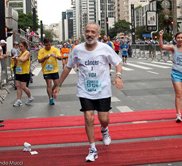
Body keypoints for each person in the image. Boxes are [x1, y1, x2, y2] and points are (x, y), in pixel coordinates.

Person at [53, 23, 123, 162]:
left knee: (104, 119)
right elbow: (68, 67)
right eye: (87, 31)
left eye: (93, 32)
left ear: (97, 34)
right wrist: (59, 84)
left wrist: (118, 76)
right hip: (85, 89)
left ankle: (104, 129)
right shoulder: (77, 50)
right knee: (89, 117)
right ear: (84, 33)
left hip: (103, 89)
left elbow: (118, 62)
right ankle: (92, 148)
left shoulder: (105, 48)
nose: (90, 34)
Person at [38, 38, 62, 105]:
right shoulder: (41, 51)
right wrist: (44, 58)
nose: (48, 47)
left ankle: (50, 92)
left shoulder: (55, 50)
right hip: (46, 70)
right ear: (44, 45)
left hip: (54, 69)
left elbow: (61, 58)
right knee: (49, 83)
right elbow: (39, 60)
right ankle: (50, 99)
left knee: (57, 84)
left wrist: (56, 56)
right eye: (46, 45)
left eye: (49, 45)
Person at [12, 41, 34, 107]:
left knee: (23, 87)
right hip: (18, 71)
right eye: (19, 46)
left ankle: (30, 97)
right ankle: (19, 100)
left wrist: (17, 58)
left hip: (25, 72)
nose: (20, 48)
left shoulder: (27, 53)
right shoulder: (20, 53)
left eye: (21, 46)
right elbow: (17, 60)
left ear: (25, 47)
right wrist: (14, 59)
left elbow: (23, 60)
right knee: (18, 86)